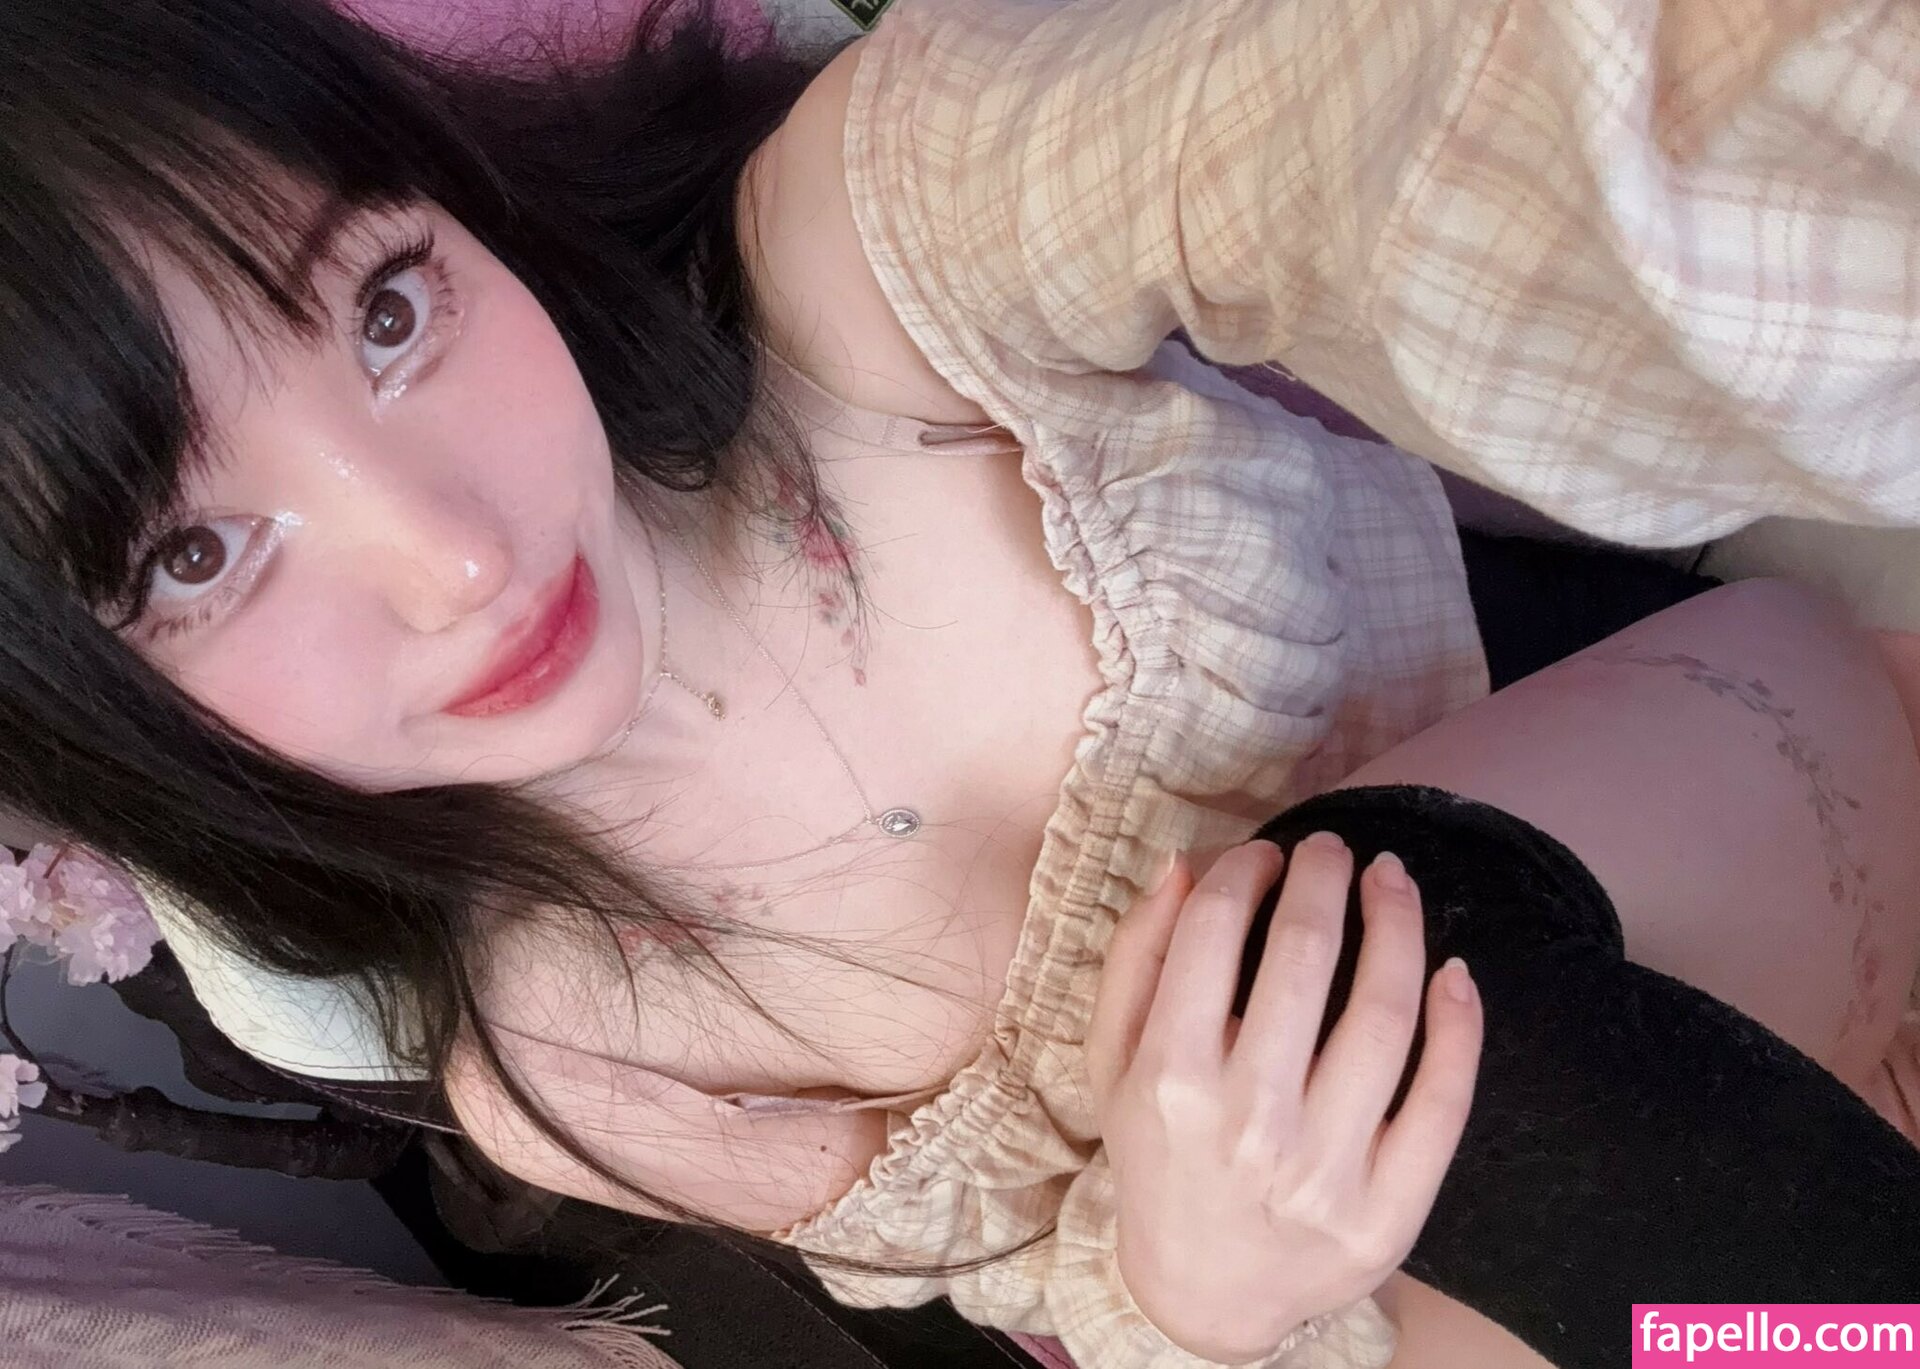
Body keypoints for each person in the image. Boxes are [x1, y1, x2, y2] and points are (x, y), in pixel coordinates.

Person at [1, 0, 1916, 1365]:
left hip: (1764, 790)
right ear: (103, 724)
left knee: (1380, 955)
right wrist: (1190, 1280)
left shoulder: (858, 270)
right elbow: (1065, 1285)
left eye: (389, 307)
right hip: (1667, 1280)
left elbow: (1408, 122)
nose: (459, 559)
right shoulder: (581, 1057)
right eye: (193, 557)